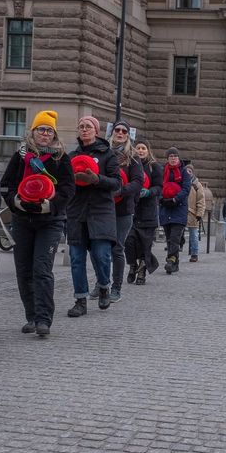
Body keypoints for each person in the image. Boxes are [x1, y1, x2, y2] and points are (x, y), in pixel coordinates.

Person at [0, 110, 75, 337]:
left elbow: (68, 190)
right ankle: (31, 316)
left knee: (41, 270)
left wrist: (50, 206)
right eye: (41, 129)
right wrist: (16, 203)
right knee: (23, 271)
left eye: (49, 130)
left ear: (54, 134)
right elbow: (6, 185)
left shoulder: (61, 158)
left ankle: (44, 319)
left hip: (49, 221)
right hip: (22, 220)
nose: (45, 134)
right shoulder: (20, 157)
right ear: (33, 132)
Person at [65, 115, 120, 316]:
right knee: (77, 258)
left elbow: (116, 183)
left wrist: (97, 179)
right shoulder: (70, 156)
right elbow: (63, 184)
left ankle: (104, 285)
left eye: (88, 126)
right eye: (81, 126)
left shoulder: (108, 155)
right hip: (77, 212)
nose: (85, 130)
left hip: (101, 211)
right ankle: (80, 300)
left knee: (101, 255)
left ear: (96, 131)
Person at [109, 121, 143, 301]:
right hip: (104, 208)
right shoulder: (104, 151)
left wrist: (121, 191)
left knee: (117, 248)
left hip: (123, 209)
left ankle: (116, 287)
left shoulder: (133, 156)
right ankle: (102, 286)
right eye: (117, 130)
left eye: (124, 131)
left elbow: (138, 182)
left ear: (128, 135)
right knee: (101, 249)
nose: (120, 133)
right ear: (112, 132)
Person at [125, 139, 163, 285]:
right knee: (129, 242)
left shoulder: (154, 167)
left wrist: (149, 192)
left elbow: (159, 188)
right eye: (138, 148)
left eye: (143, 148)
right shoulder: (130, 165)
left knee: (145, 245)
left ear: (148, 151)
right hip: (132, 211)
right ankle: (132, 265)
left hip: (148, 213)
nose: (140, 151)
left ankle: (141, 272)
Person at [158, 147, 193, 273]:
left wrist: (175, 199)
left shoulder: (184, 172)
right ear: (167, 158)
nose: (173, 158)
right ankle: (175, 263)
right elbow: (158, 185)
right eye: (171, 156)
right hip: (166, 208)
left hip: (178, 209)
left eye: (175, 156)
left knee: (174, 238)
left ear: (178, 158)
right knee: (169, 237)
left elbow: (186, 188)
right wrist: (161, 199)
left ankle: (170, 260)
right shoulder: (162, 171)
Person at [184, 161, 206, 262]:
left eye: (189, 171)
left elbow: (201, 201)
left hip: (192, 213)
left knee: (193, 234)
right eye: (186, 171)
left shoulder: (197, 185)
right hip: (181, 212)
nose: (188, 173)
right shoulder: (182, 182)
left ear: (192, 172)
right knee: (176, 233)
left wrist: (199, 214)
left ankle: (194, 254)